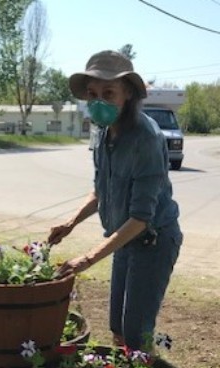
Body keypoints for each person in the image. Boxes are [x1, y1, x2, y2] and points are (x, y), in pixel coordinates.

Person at [48, 50, 183, 350]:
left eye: (108, 93)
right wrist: (70, 223)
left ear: (129, 95)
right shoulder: (102, 133)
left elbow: (141, 218)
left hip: (152, 240)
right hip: (123, 239)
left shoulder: (146, 138)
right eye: (92, 94)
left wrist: (87, 258)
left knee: (136, 332)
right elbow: (100, 191)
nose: (98, 102)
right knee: (118, 327)